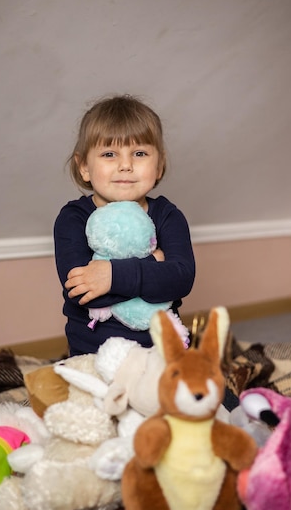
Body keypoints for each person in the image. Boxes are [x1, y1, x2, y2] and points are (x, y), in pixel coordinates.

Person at [54, 94, 196, 356]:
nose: (126, 165)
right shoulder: (73, 218)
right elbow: (81, 291)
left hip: (160, 352)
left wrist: (110, 276)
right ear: (84, 166)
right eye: (109, 154)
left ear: (159, 164)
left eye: (139, 153)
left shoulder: (167, 215)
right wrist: (153, 266)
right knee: (73, 395)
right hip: (93, 354)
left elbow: (180, 279)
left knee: (214, 394)